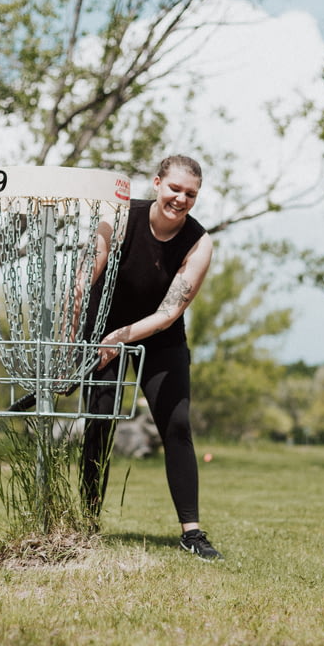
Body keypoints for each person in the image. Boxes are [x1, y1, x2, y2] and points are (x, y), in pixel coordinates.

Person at [80, 154, 223, 561]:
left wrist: (119, 339)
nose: (181, 198)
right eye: (175, 188)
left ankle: (191, 532)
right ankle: (86, 522)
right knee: (99, 419)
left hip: (158, 337)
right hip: (103, 326)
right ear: (157, 183)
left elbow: (167, 314)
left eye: (190, 194)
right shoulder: (121, 216)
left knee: (176, 425)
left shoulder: (199, 242)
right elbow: (87, 273)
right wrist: (79, 327)